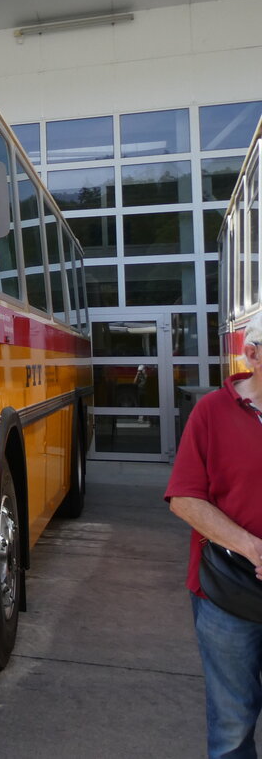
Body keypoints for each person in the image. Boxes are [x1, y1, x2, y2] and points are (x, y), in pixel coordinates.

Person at [167, 311, 262, 759]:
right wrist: (251, 547)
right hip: (229, 591)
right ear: (253, 354)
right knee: (233, 725)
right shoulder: (212, 411)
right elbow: (185, 498)